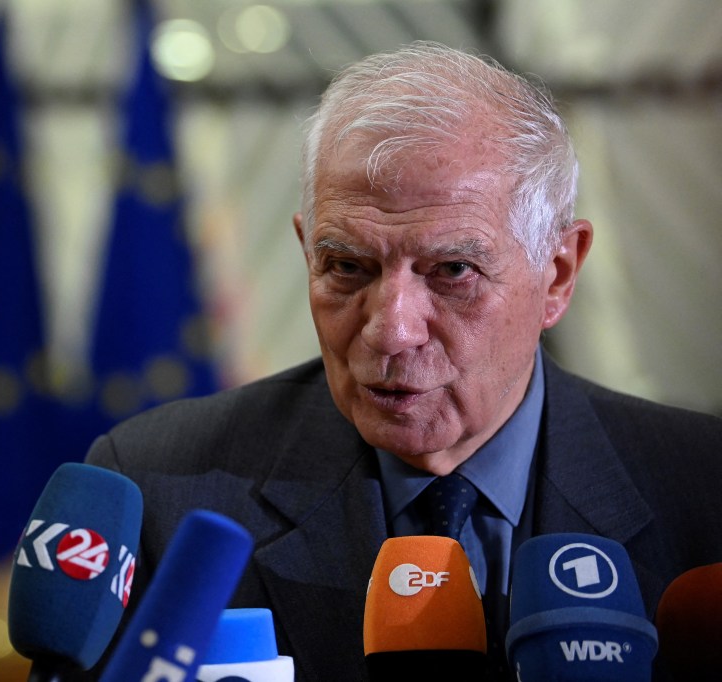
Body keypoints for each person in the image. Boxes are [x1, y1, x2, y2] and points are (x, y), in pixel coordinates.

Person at [84, 41, 722, 680]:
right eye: (346, 267)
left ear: (557, 276)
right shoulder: (156, 490)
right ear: (308, 251)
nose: (391, 331)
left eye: (452, 270)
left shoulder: (701, 490)